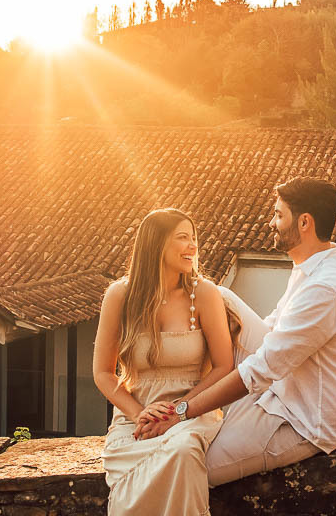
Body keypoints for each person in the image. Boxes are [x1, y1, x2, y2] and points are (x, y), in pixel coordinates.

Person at [136, 177, 336, 486]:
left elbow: (262, 368)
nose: (271, 222)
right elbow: (271, 332)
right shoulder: (309, 268)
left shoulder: (325, 287)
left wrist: (182, 411)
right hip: (282, 390)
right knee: (218, 295)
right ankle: (168, 393)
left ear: (304, 223)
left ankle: (179, 405)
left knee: (184, 469)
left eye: (278, 215)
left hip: (303, 419)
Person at [93, 208, 239, 515]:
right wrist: (139, 414)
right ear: (156, 244)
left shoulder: (206, 294)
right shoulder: (120, 295)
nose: (192, 246)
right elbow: (103, 373)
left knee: (183, 450)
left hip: (194, 410)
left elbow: (225, 366)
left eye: (194, 238)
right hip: (138, 419)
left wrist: (180, 409)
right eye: (183, 238)